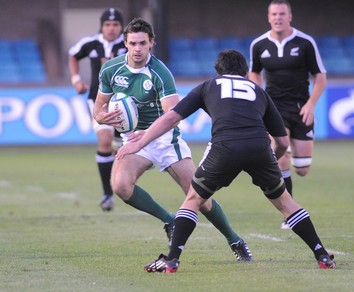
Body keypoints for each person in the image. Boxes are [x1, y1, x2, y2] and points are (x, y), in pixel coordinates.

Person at [116, 49, 336, 273]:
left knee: (193, 198)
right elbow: (281, 140)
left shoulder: (209, 85)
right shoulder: (258, 91)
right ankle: (321, 254)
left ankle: (172, 259)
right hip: (259, 147)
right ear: (246, 71)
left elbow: (172, 117)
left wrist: (140, 142)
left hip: (225, 146)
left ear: (218, 70)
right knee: (286, 203)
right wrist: (271, 159)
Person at [93, 18, 252, 261]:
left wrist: (146, 135)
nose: (137, 48)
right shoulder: (110, 70)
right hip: (135, 141)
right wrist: (104, 118)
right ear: (125, 43)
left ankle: (235, 240)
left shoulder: (160, 73)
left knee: (200, 197)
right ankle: (169, 220)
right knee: (120, 186)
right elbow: (98, 110)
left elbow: (173, 116)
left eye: (142, 43)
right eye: (133, 43)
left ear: (151, 44)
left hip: (165, 139)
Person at [248, 0, 327, 229]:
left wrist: (311, 104)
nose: (278, 17)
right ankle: (289, 213)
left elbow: (320, 77)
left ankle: (295, 156)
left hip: (301, 107)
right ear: (268, 16)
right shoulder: (259, 44)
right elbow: (254, 72)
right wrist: (260, 97)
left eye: (282, 13)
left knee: (301, 169)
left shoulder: (305, 43)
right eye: (274, 14)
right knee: (281, 157)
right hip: (274, 109)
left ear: (289, 16)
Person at [68, 8, 127, 211]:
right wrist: (76, 80)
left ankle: (121, 161)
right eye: (108, 24)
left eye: (116, 24)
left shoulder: (130, 44)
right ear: (102, 26)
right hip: (97, 101)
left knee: (121, 145)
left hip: (125, 102)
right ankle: (107, 194)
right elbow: (73, 56)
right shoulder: (91, 43)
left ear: (121, 26)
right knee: (104, 140)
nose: (111, 28)